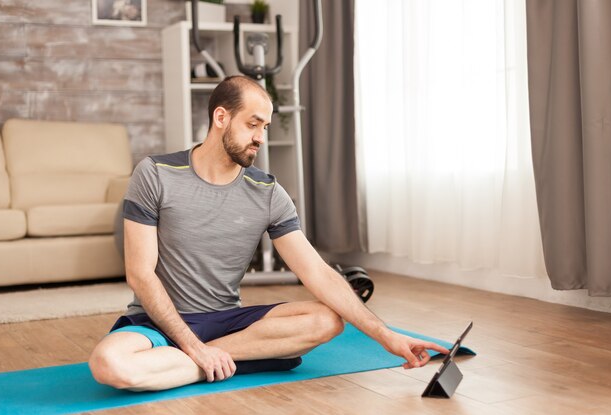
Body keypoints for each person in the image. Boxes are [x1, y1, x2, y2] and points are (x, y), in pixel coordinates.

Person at [88, 75, 449, 391]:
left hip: (228, 322)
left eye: (265, 128)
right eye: (253, 124)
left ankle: (212, 360)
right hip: (157, 321)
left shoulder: (267, 192)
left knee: (327, 320)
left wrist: (386, 337)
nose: (260, 137)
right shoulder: (155, 173)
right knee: (109, 364)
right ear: (220, 117)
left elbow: (317, 272)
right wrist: (195, 347)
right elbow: (140, 274)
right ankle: (224, 360)